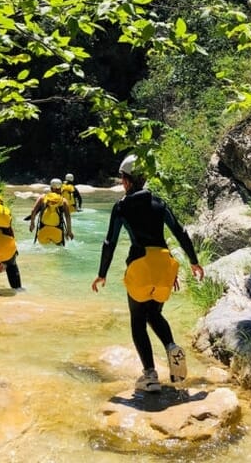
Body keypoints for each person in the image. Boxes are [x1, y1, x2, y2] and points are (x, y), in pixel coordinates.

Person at [91, 154, 204, 393]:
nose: (122, 182)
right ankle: (172, 347)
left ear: (128, 180)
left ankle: (150, 376)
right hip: (166, 265)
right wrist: (194, 262)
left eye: (123, 178)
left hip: (141, 264)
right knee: (154, 313)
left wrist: (102, 273)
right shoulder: (160, 203)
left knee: (138, 319)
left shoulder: (121, 206)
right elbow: (181, 232)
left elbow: (109, 242)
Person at [28, 178, 74, 245]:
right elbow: (68, 217)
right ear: (60, 188)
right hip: (57, 232)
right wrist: (69, 232)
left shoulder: (42, 198)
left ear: (51, 188)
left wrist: (32, 224)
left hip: (43, 231)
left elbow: (33, 211)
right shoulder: (63, 201)